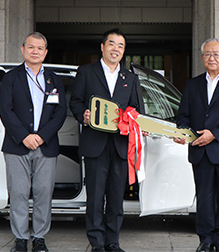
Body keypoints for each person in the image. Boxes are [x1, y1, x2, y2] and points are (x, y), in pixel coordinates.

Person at [69, 28, 143, 252]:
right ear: (102, 47)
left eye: (120, 46)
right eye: (112, 44)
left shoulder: (130, 78)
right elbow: (75, 101)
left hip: (120, 145)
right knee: (95, 198)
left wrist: (132, 118)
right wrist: (83, 114)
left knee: (115, 198)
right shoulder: (87, 72)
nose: (116, 49)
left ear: (123, 51)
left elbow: (136, 109)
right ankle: (97, 243)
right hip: (95, 144)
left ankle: (113, 241)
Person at [175, 38, 219, 252]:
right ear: (202, 58)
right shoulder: (193, 84)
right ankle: (205, 239)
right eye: (207, 54)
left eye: (216, 54)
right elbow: (183, 115)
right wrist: (182, 133)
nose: (211, 58)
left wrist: (214, 134)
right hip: (200, 150)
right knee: (204, 197)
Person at [0, 32, 67, 252]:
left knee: (43, 193)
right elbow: (5, 110)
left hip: (45, 146)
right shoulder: (11, 77)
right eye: (31, 47)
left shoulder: (54, 79)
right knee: (18, 192)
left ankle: (39, 238)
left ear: (45, 52)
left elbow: (60, 112)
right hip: (17, 145)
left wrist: (42, 136)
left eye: (40, 48)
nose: (35, 51)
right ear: (23, 50)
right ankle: (20, 239)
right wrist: (24, 136)